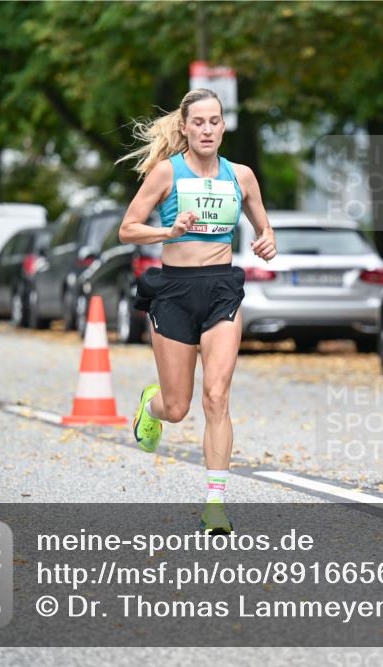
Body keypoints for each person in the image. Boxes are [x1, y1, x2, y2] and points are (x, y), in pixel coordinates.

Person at [115, 89, 277, 534]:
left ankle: (215, 505)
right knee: (177, 407)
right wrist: (168, 231)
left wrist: (267, 240)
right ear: (185, 127)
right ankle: (151, 408)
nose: (207, 129)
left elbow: (264, 226)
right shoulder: (166, 172)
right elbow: (128, 229)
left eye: (214, 121)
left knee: (217, 396)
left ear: (224, 126)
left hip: (222, 289)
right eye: (199, 122)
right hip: (174, 291)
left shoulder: (241, 176)